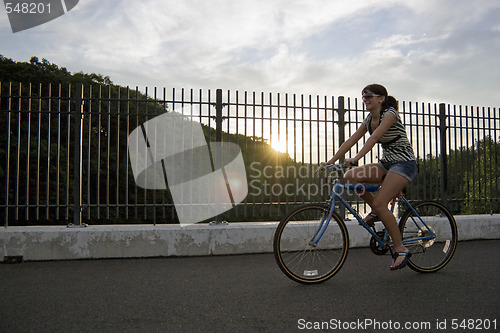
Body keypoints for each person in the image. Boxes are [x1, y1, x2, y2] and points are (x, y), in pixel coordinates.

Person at [320, 83, 417, 271]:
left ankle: (401, 248)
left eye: (368, 96)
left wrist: (356, 158)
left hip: (404, 164)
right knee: (350, 177)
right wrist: (330, 161)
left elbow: (373, 139)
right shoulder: (368, 120)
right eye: (363, 96)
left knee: (381, 203)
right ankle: (376, 211)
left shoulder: (390, 114)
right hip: (386, 163)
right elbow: (352, 139)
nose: (364, 99)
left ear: (380, 98)